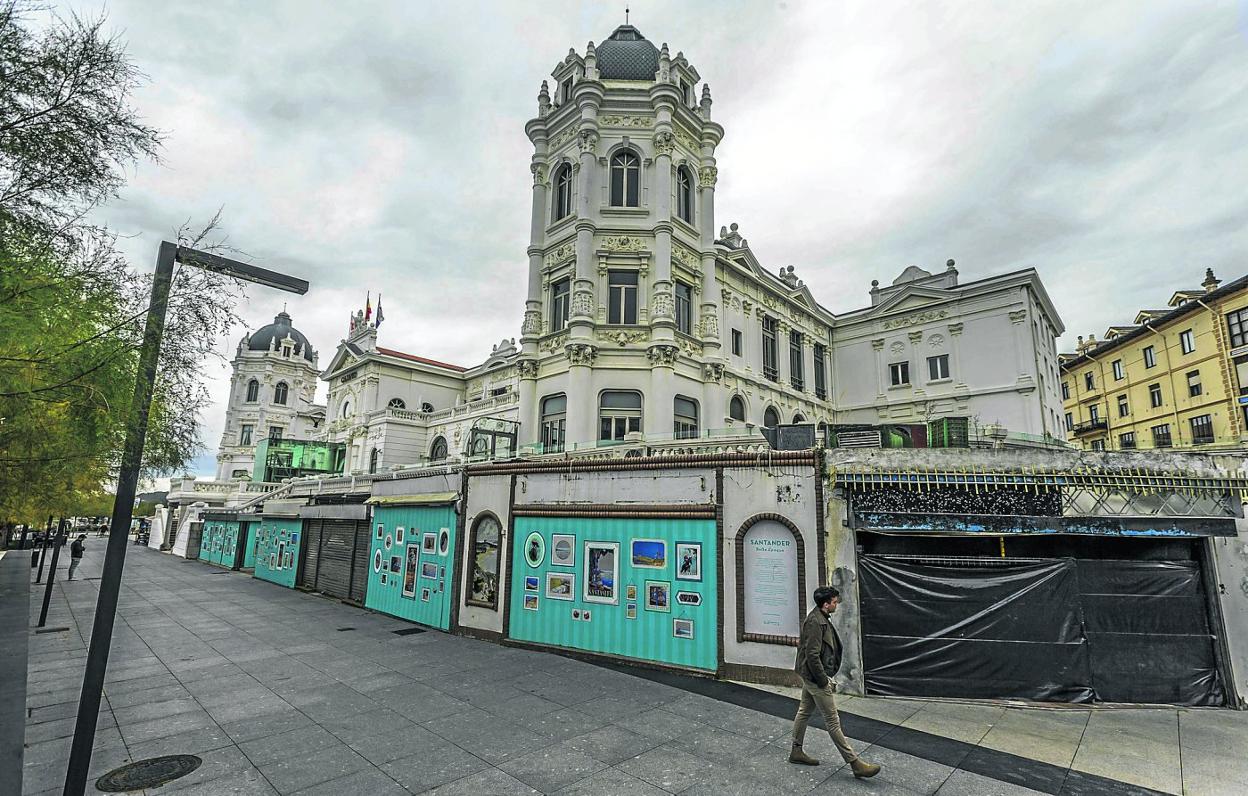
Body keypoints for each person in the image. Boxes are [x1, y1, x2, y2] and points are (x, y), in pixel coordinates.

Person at [788, 585, 880, 778]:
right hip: (815, 677)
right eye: (834, 602)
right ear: (825, 604)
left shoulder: (820, 618)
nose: (836, 604)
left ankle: (796, 751)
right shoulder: (815, 622)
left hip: (810, 674)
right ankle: (855, 763)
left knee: (804, 711)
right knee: (832, 721)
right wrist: (823, 681)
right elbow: (812, 655)